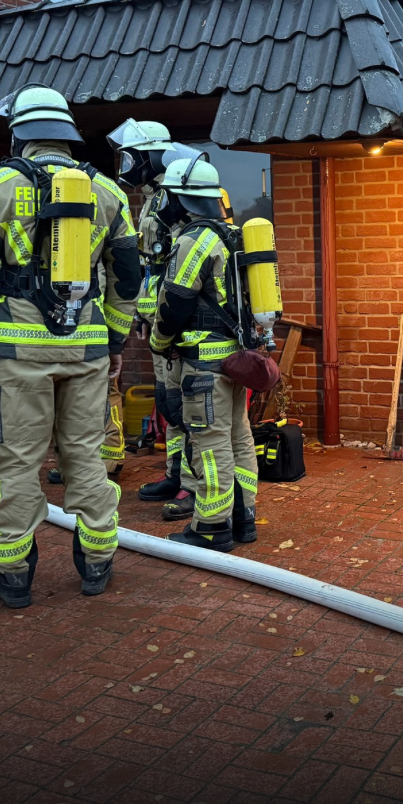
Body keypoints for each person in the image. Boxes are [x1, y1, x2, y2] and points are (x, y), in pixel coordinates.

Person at [0, 84, 139, 608]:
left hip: (17, 354)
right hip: (87, 350)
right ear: (69, 136)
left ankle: (14, 579)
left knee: (17, 463)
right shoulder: (109, 193)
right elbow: (128, 276)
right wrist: (115, 338)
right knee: (87, 458)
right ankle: (97, 564)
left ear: (19, 135)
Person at [149, 156, 258, 552]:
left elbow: (176, 301)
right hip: (236, 360)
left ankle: (212, 526)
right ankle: (244, 518)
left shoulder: (195, 240)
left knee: (210, 445)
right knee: (238, 438)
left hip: (204, 364)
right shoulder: (234, 235)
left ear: (184, 199)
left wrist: (158, 343)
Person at [106, 121, 197, 522]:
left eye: (132, 155)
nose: (127, 164)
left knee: (190, 411)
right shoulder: (154, 196)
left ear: (152, 156)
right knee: (170, 406)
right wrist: (145, 315)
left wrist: (166, 320)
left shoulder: (180, 196)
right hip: (157, 321)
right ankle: (174, 474)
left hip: (179, 325)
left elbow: (181, 268)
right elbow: (151, 267)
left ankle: (196, 489)